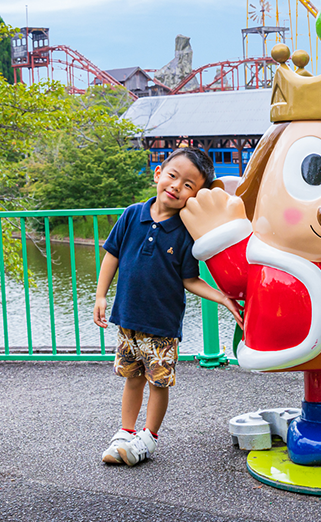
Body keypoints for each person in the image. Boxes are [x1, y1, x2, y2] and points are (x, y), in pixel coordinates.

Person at [92, 148, 243, 467]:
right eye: (173, 176)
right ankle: (125, 431)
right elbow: (112, 255)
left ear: (196, 195)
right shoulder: (132, 214)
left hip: (162, 326)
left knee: (158, 382)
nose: (176, 186)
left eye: (188, 184)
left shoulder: (185, 232)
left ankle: (148, 437)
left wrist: (223, 298)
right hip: (127, 321)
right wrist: (101, 295)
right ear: (159, 173)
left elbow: (190, 279)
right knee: (132, 378)